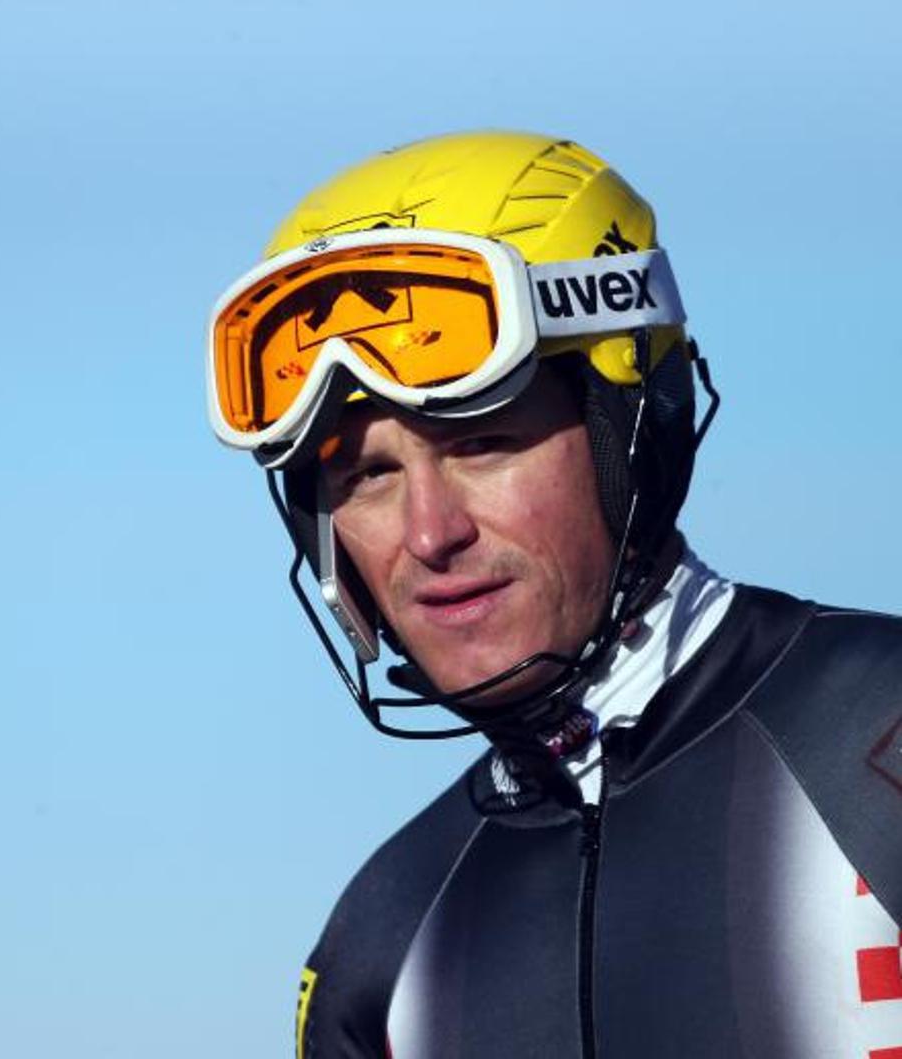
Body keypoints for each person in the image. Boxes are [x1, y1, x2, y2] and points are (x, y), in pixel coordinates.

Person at [205, 130, 902, 1057]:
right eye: (367, 476)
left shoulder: (879, 731)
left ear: (635, 434)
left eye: (481, 444)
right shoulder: (379, 951)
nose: (429, 535)